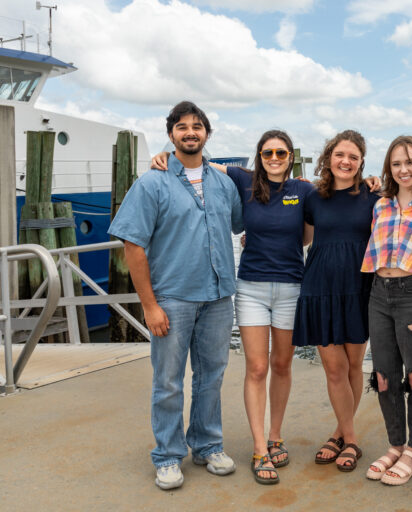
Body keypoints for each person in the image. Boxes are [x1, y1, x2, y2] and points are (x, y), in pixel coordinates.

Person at [150, 131, 380, 484]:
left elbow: (312, 227)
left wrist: (370, 181)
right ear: (259, 155)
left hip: (294, 286)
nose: (275, 157)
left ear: (291, 156)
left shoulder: (305, 190)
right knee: (257, 367)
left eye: (282, 152)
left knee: (285, 364)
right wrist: (168, 159)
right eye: (268, 151)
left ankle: (281, 436)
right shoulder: (246, 180)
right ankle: (261, 448)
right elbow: (202, 162)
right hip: (253, 287)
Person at [108, 101, 244, 491]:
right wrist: (149, 305)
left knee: (212, 375)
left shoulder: (223, 182)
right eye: (182, 127)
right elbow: (132, 245)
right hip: (173, 299)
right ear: (171, 135)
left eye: (197, 126)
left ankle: (207, 444)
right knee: (168, 380)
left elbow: (240, 222)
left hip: (219, 296)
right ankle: (168, 455)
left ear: (207, 134)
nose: (190, 132)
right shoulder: (152, 181)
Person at [292, 130, 380, 472]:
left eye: (354, 157)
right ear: (329, 158)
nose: (346, 161)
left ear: (361, 163)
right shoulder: (312, 198)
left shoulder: (374, 197)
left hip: (358, 287)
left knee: (354, 367)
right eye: (340, 154)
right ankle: (352, 437)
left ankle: (341, 434)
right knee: (334, 368)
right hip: (320, 286)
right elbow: (302, 238)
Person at [361, 136, 412, 485]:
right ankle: (395, 444)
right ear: (388, 168)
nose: (404, 169)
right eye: (397, 163)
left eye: (410, 162)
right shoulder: (380, 204)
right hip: (379, 293)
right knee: (383, 375)